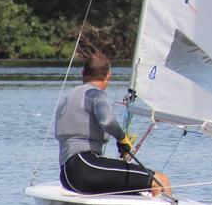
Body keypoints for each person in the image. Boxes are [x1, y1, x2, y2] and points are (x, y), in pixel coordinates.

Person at [55, 52, 171, 196]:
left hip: (67, 175)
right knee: (160, 180)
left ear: (82, 73)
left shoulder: (66, 97)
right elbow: (107, 121)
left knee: (134, 193)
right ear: (108, 76)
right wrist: (122, 138)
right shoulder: (95, 94)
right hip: (85, 167)